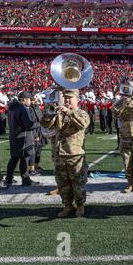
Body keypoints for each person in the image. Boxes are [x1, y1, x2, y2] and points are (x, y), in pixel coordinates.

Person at [41, 89, 90, 218]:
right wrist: (49, 113)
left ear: (77, 100)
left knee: (78, 182)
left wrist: (68, 112)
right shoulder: (59, 114)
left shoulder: (82, 113)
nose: (67, 101)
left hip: (75, 154)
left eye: (70, 98)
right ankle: (67, 205)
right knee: (62, 183)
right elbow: (46, 125)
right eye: (66, 98)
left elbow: (83, 124)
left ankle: (80, 205)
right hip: (59, 154)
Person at [0, 91, 40, 189]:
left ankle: (9, 179)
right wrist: (40, 124)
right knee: (24, 158)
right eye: (29, 99)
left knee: (14, 158)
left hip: (14, 136)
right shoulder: (22, 109)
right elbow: (29, 124)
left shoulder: (12, 108)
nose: (31, 101)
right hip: (23, 137)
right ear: (24, 100)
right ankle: (25, 180)